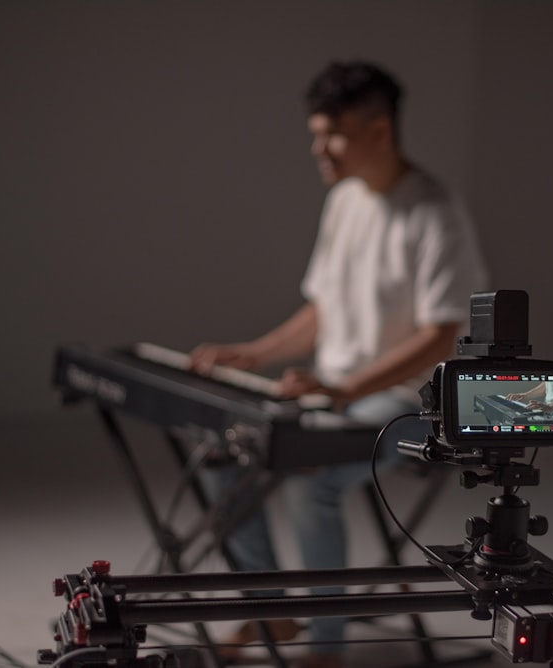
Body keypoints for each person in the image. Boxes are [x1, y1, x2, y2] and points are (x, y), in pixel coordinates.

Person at [190, 60, 488, 668]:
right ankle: (268, 604)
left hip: (409, 405)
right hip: (337, 393)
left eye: (333, 134)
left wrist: (344, 388)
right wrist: (256, 352)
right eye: (316, 134)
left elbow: (440, 337)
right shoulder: (345, 200)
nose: (319, 148)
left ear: (379, 131)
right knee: (223, 450)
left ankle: (326, 648)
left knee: (311, 478)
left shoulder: (435, 212)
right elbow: (323, 309)